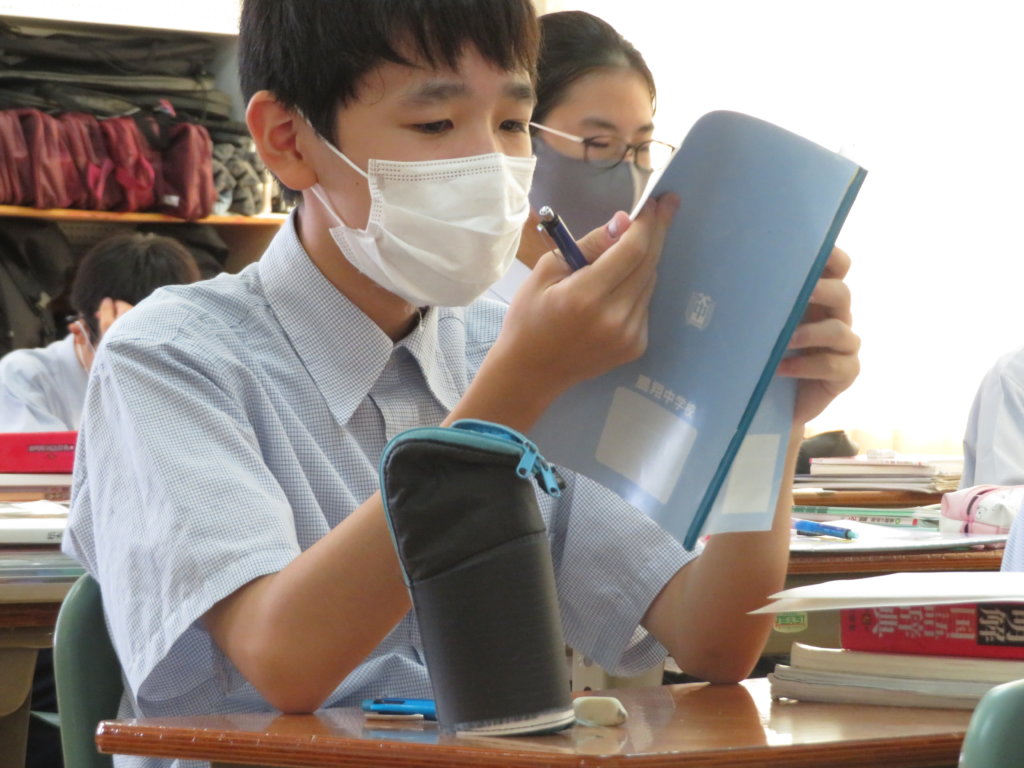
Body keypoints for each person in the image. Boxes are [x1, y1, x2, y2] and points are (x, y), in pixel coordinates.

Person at [64, 5, 858, 767]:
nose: (488, 164)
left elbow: (713, 638)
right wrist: (514, 393)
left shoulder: (502, 346)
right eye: (436, 124)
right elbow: (285, 662)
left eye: (511, 123)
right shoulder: (170, 358)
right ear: (288, 139)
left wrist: (768, 403)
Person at [489, 10, 669, 303]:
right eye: (601, 143)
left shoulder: (639, 295)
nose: (627, 169)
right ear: (520, 135)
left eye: (643, 145)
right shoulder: (463, 303)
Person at [0, 232, 201, 431]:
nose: (142, 367)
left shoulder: (192, 375)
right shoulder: (23, 377)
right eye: (113, 350)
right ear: (80, 331)